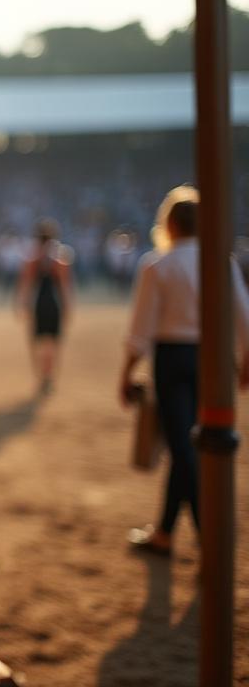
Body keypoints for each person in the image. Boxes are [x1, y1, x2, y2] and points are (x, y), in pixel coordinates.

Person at [118, 186, 249, 555]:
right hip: (214, 360)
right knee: (188, 447)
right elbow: (243, 315)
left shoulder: (158, 265)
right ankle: (165, 533)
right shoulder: (219, 261)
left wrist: (126, 373)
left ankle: (210, 538)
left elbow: (140, 331)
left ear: (170, 224)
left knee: (184, 449)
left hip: (173, 360)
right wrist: (246, 360)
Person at [15, 218, 74, 395]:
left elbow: (25, 284)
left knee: (39, 342)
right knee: (53, 343)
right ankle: (49, 374)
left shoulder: (32, 258)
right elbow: (65, 286)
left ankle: (42, 374)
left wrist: (22, 304)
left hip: (39, 303)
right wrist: (68, 306)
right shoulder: (61, 258)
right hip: (54, 303)